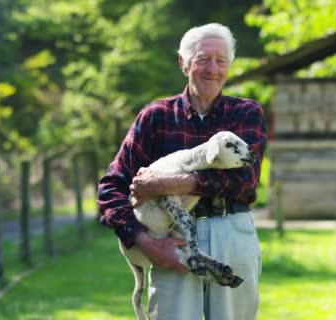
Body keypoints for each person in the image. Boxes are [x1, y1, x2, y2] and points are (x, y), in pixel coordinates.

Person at [97, 23, 267, 320]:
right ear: (183, 63)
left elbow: (245, 180)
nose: (212, 69)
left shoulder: (246, 113)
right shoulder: (155, 117)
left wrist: (167, 185)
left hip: (232, 232)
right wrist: (145, 242)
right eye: (202, 59)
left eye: (221, 60)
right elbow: (111, 187)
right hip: (170, 241)